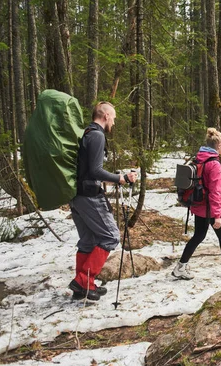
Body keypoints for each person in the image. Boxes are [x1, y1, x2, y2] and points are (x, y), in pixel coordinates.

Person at [68, 101, 137, 301]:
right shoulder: (97, 135)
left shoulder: (86, 133)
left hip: (77, 196)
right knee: (110, 237)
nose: (114, 122)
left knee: (88, 241)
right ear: (105, 115)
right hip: (89, 195)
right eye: (113, 117)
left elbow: (88, 168)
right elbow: (95, 171)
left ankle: (83, 287)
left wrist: (117, 177)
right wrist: (120, 178)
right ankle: (83, 281)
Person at [172, 128, 221, 280]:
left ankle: (181, 266)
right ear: (218, 145)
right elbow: (215, 191)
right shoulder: (214, 164)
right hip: (211, 208)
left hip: (199, 206)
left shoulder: (199, 158)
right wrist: (217, 215)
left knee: (199, 236)